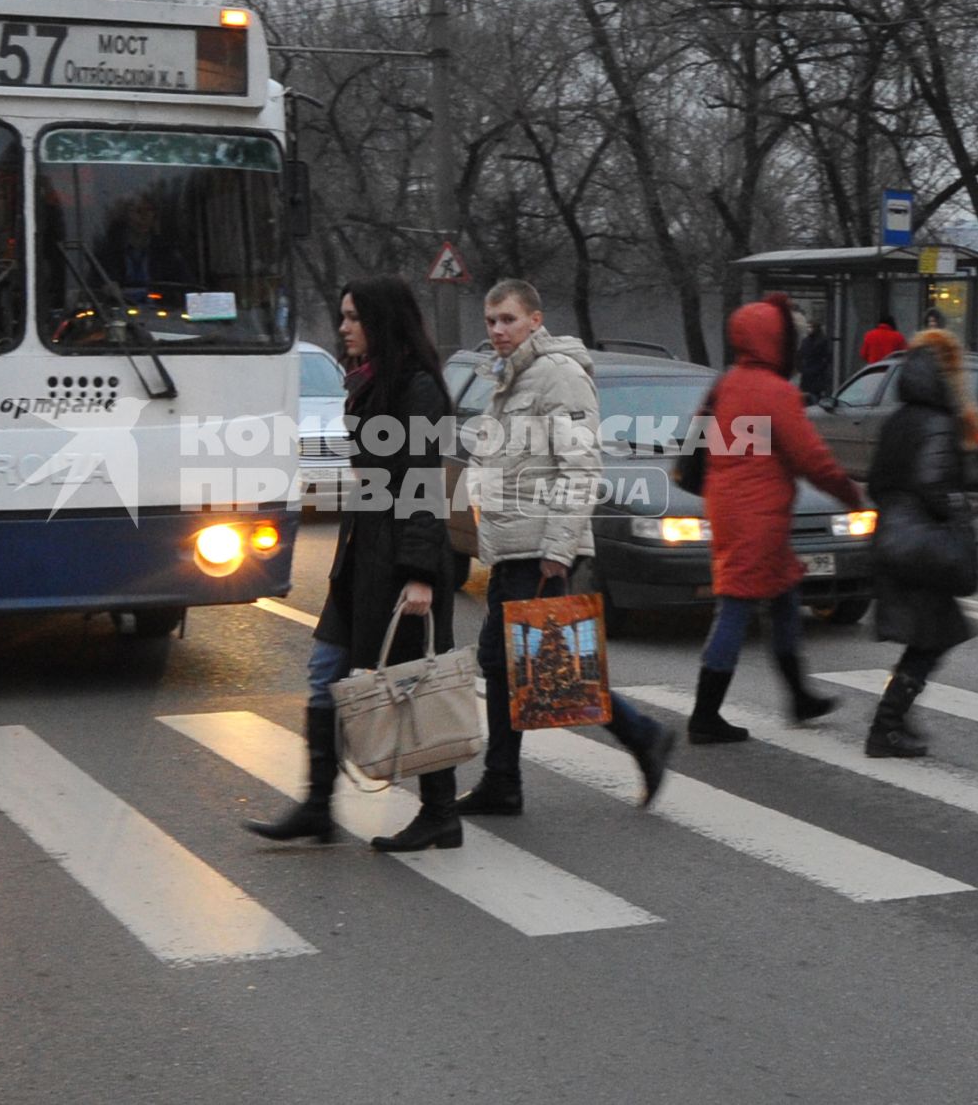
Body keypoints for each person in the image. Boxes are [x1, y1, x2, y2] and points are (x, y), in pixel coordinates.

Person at [245, 275, 462, 852]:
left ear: (382, 322)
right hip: (362, 555)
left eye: (352, 318)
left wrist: (419, 575)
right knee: (326, 673)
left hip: (398, 563)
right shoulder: (370, 383)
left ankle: (441, 812)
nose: (343, 328)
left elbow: (423, 484)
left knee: (411, 686)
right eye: (342, 317)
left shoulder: (418, 390)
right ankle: (318, 805)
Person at [454, 280, 678, 816]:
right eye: (490, 322)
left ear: (535, 320)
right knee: (520, 662)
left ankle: (637, 735)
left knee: (543, 665)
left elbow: (581, 467)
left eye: (507, 319)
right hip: (515, 542)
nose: (497, 330)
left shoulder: (560, 376)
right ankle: (506, 780)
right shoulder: (513, 376)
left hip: (539, 543)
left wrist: (558, 549)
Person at [687, 293, 866, 744]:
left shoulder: (726, 384)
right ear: (776, 340)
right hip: (759, 515)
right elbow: (813, 459)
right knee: (736, 606)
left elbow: (703, 447)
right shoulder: (777, 392)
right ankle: (704, 716)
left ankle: (799, 695)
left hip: (730, 507)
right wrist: (851, 495)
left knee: (784, 596)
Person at [863, 329, 978, 758]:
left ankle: (893, 717)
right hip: (924, 547)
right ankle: (886, 726)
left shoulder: (899, 418)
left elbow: (877, 483)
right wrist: (961, 509)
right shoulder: (937, 422)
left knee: (930, 634)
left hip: (896, 540)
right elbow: (934, 483)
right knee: (934, 635)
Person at [797, 315, 833, 403]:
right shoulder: (806, 341)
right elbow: (800, 355)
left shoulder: (822, 341)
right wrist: (801, 368)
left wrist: (820, 367)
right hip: (807, 373)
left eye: (810, 327)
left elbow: (828, 357)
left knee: (815, 396)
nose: (809, 329)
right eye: (808, 327)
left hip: (817, 374)